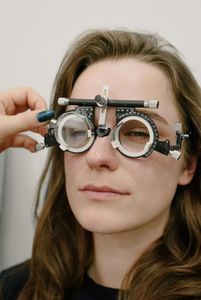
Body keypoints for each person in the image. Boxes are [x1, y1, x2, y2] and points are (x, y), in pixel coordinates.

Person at [0, 29, 201, 300]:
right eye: (79, 129)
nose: (97, 157)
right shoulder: (15, 290)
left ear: (188, 164)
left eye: (137, 132)